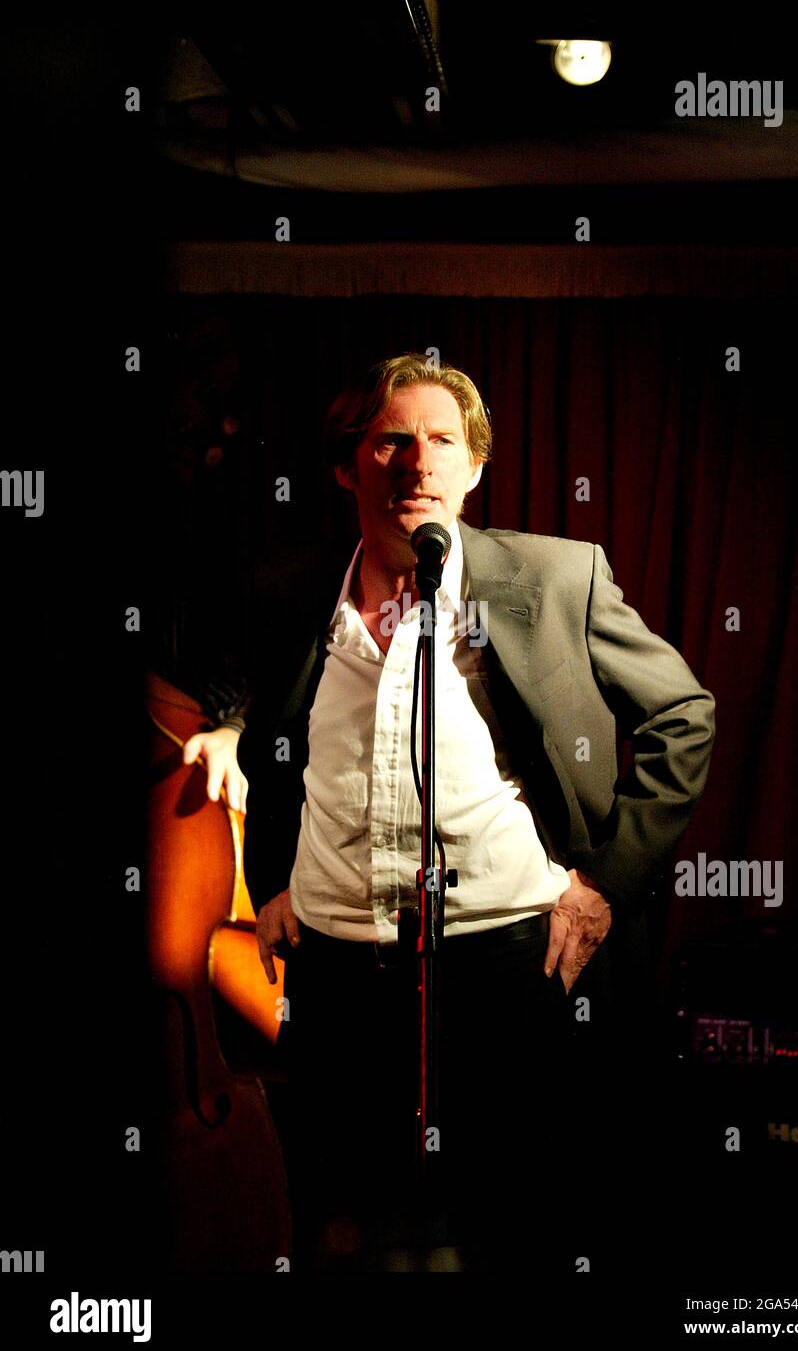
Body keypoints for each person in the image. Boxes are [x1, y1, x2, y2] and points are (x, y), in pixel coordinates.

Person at [182, 353, 716, 1270]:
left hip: (507, 956)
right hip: (334, 966)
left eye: (441, 442)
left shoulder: (555, 578)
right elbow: (275, 729)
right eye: (392, 441)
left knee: (516, 1218)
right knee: (343, 1218)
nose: (416, 463)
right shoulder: (286, 593)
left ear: (474, 469)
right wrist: (268, 878)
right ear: (349, 466)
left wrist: (602, 884)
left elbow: (682, 715)